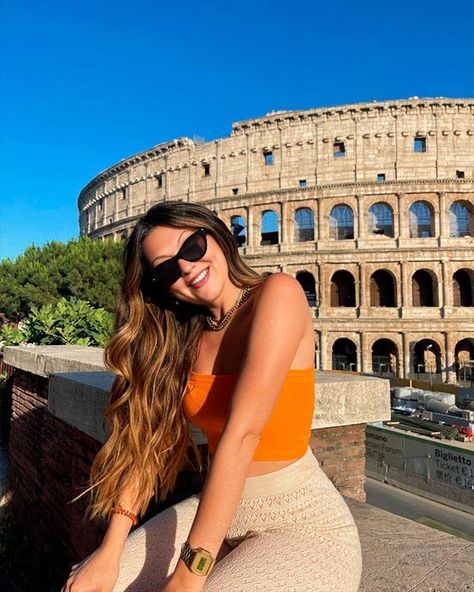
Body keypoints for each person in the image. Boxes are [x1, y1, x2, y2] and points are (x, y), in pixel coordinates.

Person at [61, 200, 362, 592]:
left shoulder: (278, 294)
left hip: (302, 522)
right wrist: (110, 549)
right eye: (168, 267)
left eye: (192, 247)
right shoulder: (184, 336)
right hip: (218, 512)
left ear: (216, 235)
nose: (186, 266)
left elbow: (243, 434)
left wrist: (189, 575)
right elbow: (146, 443)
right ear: (163, 286)